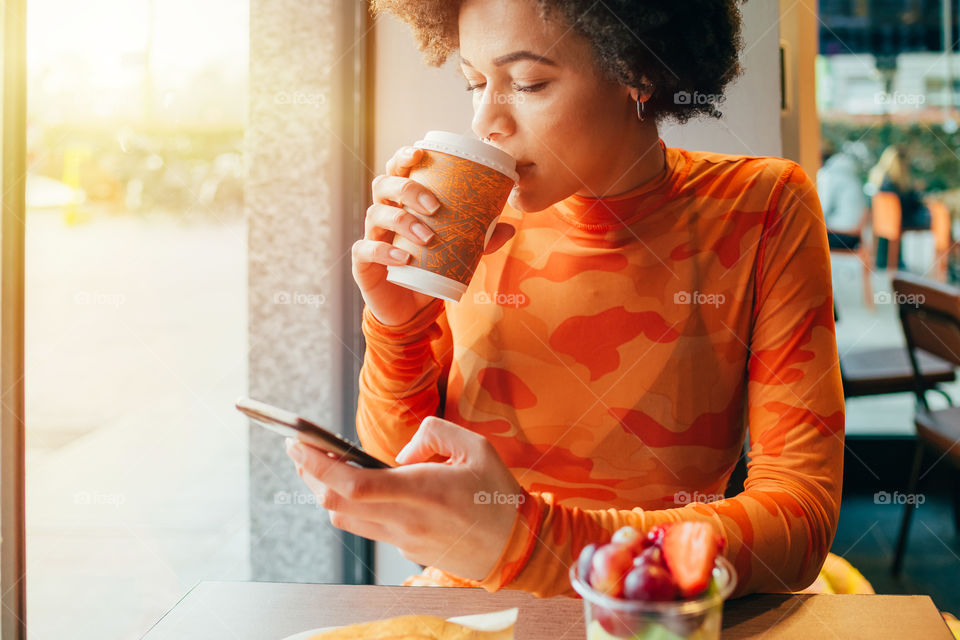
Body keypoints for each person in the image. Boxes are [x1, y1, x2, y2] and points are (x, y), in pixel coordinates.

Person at [284, 0, 845, 599]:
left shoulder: (760, 207)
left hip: (646, 612)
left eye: (528, 83)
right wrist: (397, 326)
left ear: (639, 70)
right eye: (475, 82)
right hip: (470, 610)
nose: (485, 122)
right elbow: (402, 463)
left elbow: (801, 521)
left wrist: (534, 545)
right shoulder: (472, 216)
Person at [867, 145, 931, 269]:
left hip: (883, 222)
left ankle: (884, 260)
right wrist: (917, 194)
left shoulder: (880, 179)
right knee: (934, 216)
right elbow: (909, 205)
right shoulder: (895, 182)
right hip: (899, 220)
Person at [817, 139, 867, 250]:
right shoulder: (850, 172)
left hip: (842, 234)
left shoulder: (828, 174)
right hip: (855, 234)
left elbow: (822, 209)